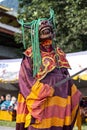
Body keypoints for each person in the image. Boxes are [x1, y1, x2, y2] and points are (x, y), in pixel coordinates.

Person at [16, 9, 82, 130]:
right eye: (41, 27)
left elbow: (66, 76)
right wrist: (40, 91)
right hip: (41, 102)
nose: (45, 26)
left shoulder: (59, 53)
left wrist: (74, 92)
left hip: (60, 100)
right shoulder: (30, 54)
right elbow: (25, 79)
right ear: (35, 33)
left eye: (48, 26)